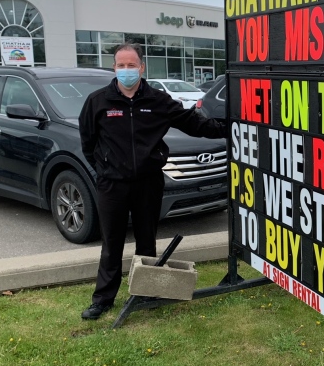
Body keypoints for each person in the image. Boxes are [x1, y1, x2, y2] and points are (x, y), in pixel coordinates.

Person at [78, 43, 227, 320]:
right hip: (112, 184)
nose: (126, 70)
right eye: (121, 65)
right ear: (114, 67)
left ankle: (145, 292)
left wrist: (229, 126)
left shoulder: (158, 100)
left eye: (131, 65)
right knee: (112, 242)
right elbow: (88, 142)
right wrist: (105, 169)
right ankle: (103, 299)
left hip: (148, 182)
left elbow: (192, 122)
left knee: (146, 240)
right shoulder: (98, 101)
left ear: (142, 67)